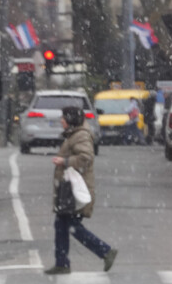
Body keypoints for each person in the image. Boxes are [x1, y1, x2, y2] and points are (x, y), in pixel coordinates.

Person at [44, 106, 118, 275]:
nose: (61, 121)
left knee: (72, 226)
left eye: (63, 118)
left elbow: (86, 158)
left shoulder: (80, 135)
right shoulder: (75, 134)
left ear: (71, 120)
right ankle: (62, 263)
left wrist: (65, 161)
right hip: (68, 190)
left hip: (74, 191)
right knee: (61, 225)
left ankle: (105, 251)